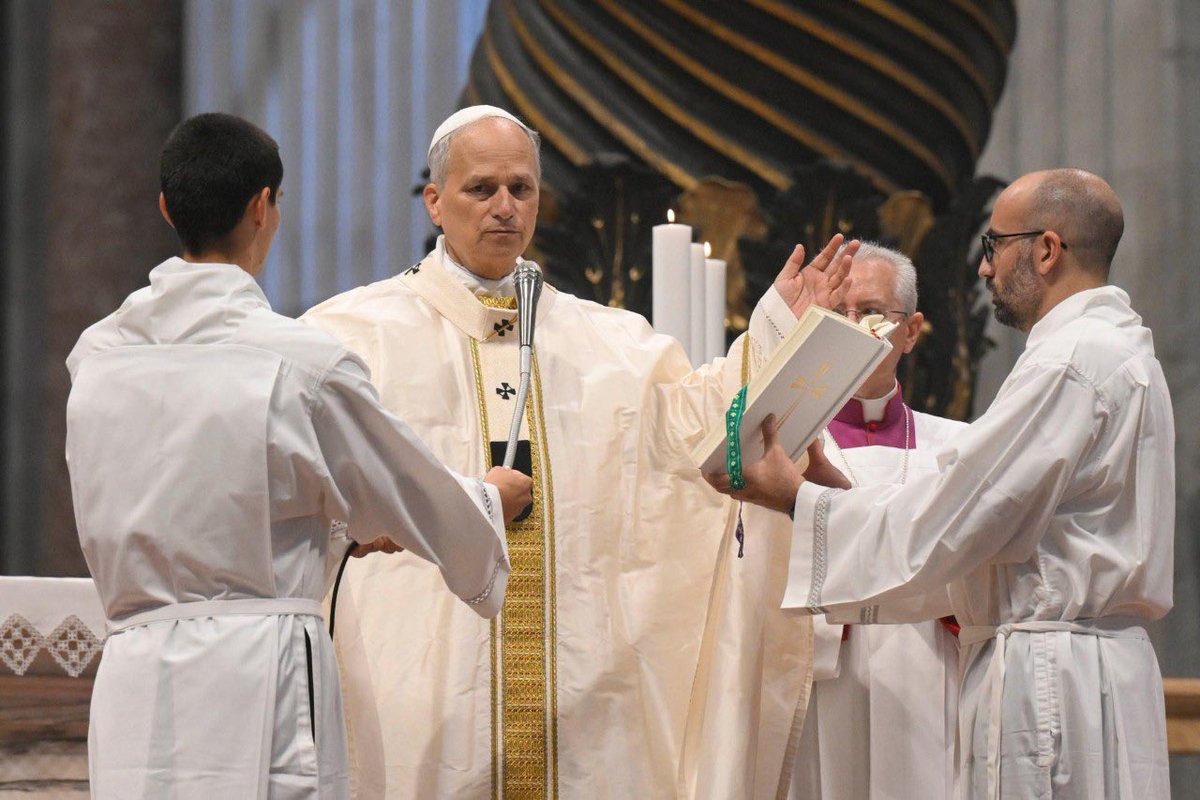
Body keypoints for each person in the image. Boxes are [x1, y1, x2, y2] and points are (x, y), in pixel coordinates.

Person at [302, 105, 852, 798]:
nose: (506, 207)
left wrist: (775, 330)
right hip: (415, 687)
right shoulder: (350, 337)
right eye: (482, 189)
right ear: (435, 202)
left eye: (522, 189)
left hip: (581, 698)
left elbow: (691, 430)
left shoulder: (608, 341)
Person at [65, 112, 532, 799]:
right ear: (264, 207)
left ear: (167, 208)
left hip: (134, 674)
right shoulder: (302, 363)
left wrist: (337, 529)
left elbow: (196, 495)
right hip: (259, 677)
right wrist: (489, 499)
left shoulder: (98, 357)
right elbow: (411, 490)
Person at [707, 168, 1175, 798]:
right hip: (1079, 674)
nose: (984, 271)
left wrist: (799, 499)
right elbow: (974, 541)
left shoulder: (1071, 362)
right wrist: (836, 500)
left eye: (994, 247)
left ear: (1046, 249)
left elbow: (957, 523)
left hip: (1052, 684)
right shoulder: (1114, 352)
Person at [786, 243, 964, 800]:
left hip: (930, 679)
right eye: (835, 314)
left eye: (870, 313)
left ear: (910, 331)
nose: (851, 329)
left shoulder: (958, 447)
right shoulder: (783, 446)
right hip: (820, 683)